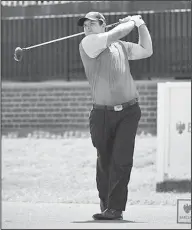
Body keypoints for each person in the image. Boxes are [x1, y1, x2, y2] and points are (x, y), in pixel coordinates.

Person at [77, 11, 153, 220]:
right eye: (85, 25)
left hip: (129, 111)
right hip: (101, 114)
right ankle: (107, 203)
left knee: (122, 159)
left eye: (92, 24)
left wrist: (141, 25)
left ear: (103, 24)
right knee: (105, 160)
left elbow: (147, 50)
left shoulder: (120, 46)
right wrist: (131, 22)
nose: (87, 28)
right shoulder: (88, 44)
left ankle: (115, 209)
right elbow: (113, 35)